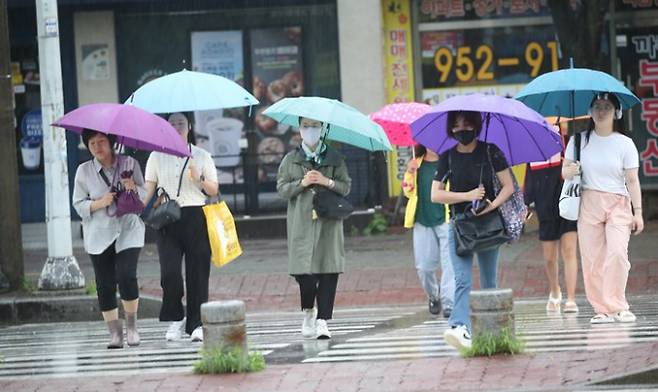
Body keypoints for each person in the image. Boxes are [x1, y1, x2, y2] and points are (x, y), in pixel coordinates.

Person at [431, 110, 514, 350]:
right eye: (456, 126)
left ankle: (492, 334)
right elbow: (435, 194)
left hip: (488, 226)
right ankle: (459, 326)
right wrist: (466, 196)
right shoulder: (447, 156)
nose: (462, 130)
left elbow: (507, 186)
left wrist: (491, 206)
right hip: (459, 225)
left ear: (476, 125)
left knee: (489, 281)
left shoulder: (491, 151)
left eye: (466, 124)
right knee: (462, 279)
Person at [562, 92, 644, 324]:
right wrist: (572, 170)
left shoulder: (625, 144)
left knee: (617, 253)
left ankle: (618, 305)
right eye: (597, 106)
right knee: (592, 259)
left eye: (606, 107)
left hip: (619, 202)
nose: (601, 111)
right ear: (590, 111)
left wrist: (637, 212)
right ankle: (601, 309)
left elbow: (632, 180)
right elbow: (564, 172)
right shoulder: (578, 141)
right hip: (588, 202)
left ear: (616, 112)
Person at [143, 112, 219, 342]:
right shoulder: (156, 156)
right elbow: (147, 192)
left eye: (181, 123)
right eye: (172, 123)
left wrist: (198, 179)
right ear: (165, 127)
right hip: (168, 218)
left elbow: (213, 190)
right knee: (170, 273)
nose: (176, 127)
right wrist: (141, 201)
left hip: (196, 216)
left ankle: (196, 323)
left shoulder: (202, 156)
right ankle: (176, 317)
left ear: (190, 126)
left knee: (198, 273)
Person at [276, 117, 351, 339]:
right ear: (299, 129)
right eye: (306, 126)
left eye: (315, 126)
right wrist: (302, 183)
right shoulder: (291, 159)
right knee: (304, 272)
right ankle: (309, 310)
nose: (310, 131)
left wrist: (326, 181)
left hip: (329, 222)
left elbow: (345, 187)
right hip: (302, 222)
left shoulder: (335, 159)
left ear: (323, 129)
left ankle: (322, 321)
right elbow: (282, 189)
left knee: (328, 269)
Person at [72, 129, 145, 349]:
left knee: (126, 276)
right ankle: (114, 334)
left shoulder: (129, 163)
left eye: (101, 141)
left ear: (111, 142)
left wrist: (133, 189)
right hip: (98, 233)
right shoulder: (83, 171)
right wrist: (99, 203)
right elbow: (78, 204)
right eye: (92, 143)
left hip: (128, 229)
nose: (97, 147)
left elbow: (144, 193)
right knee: (104, 284)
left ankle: (131, 328)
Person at [525, 123, 579, 313]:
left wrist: (572, 166)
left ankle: (571, 299)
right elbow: (529, 181)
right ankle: (555, 290)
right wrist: (526, 204)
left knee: (570, 250)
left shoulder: (570, 147)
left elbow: (579, 173)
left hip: (567, 204)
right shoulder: (532, 152)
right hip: (545, 207)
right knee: (549, 257)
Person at [403, 144, 454, 317]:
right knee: (424, 267)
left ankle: (449, 303)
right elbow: (407, 192)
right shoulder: (416, 164)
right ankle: (434, 295)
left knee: (450, 264)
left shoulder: (449, 162)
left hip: (446, 219)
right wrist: (410, 173)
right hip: (422, 220)